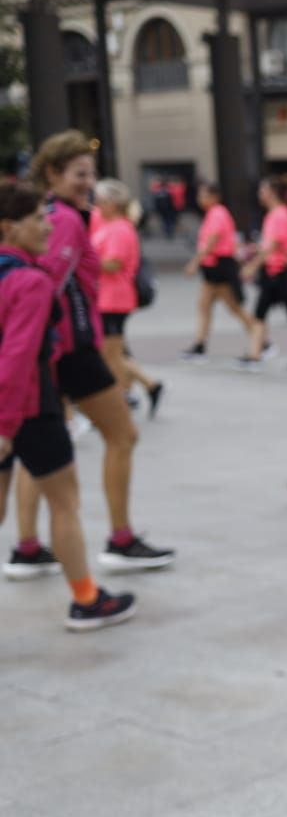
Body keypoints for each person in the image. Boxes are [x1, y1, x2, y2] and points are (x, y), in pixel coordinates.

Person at [8, 130, 173, 576]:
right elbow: (48, 284)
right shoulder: (62, 219)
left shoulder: (61, 215)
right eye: (80, 173)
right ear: (52, 173)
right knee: (122, 435)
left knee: (40, 452)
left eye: (92, 173)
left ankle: (27, 546)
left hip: (58, 353)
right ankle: (119, 539)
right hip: (73, 351)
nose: (89, 182)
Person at [0, 181, 137, 626]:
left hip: (12, 410)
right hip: (29, 408)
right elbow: (18, 360)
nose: (47, 227)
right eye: (37, 219)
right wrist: (4, 427)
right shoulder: (31, 281)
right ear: (9, 227)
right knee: (64, 503)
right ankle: (86, 598)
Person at [89, 179, 163, 417]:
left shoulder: (120, 228)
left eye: (100, 201)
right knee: (114, 353)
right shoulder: (111, 225)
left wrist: (86, 264)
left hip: (114, 298)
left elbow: (113, 263)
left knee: (112, 355)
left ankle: (127, 394)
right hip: (108, 297)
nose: (97, 205)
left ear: (112, 203)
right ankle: (147, 386)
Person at [182, 181, 264, 362]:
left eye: (204, 195)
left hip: (221, 267)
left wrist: (195, 262)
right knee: (204, 305)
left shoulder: (218, 213)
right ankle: (200, 344)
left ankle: (261, 340)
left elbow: (212, 241)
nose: (200, 199)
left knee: (234, 307)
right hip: (213, 268)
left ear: (214, 196)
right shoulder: (213, 214)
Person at [242, 174, 287, 371]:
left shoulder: (280, 214)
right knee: (261, 312)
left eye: (262, 190)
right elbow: (271, 244)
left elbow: (274, 245)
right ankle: (255, 354)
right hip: (273, 271)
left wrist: (252, 265)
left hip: (280, 272)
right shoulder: (275, 214)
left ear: (272, 193)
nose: (259, 194)